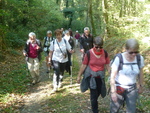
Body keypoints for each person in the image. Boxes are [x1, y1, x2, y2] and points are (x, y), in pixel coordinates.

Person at [110, 38, 144, 113]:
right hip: (119, 88)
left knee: (131, 111)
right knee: (114, 110)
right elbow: (112, 76)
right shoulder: (119, 58)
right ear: (125, 49)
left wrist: (141, 85)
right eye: (131, 52)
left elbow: (141, 74)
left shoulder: (139, 58)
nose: (134, 54)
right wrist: (113, 92)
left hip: (132, 89)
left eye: (136, 52)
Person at [77, 37, 110, 113]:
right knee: (94, 95)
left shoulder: (105, 53)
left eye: (100, 47)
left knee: (99, 92)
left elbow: (107, 64)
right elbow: (84, 65)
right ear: (94, 45)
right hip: (92, 77)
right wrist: (79, 76)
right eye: (97, 46)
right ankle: (95, 110)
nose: (98, 48)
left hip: (100, 77)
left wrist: (111, 74)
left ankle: (94, 103)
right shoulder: (89, 53)